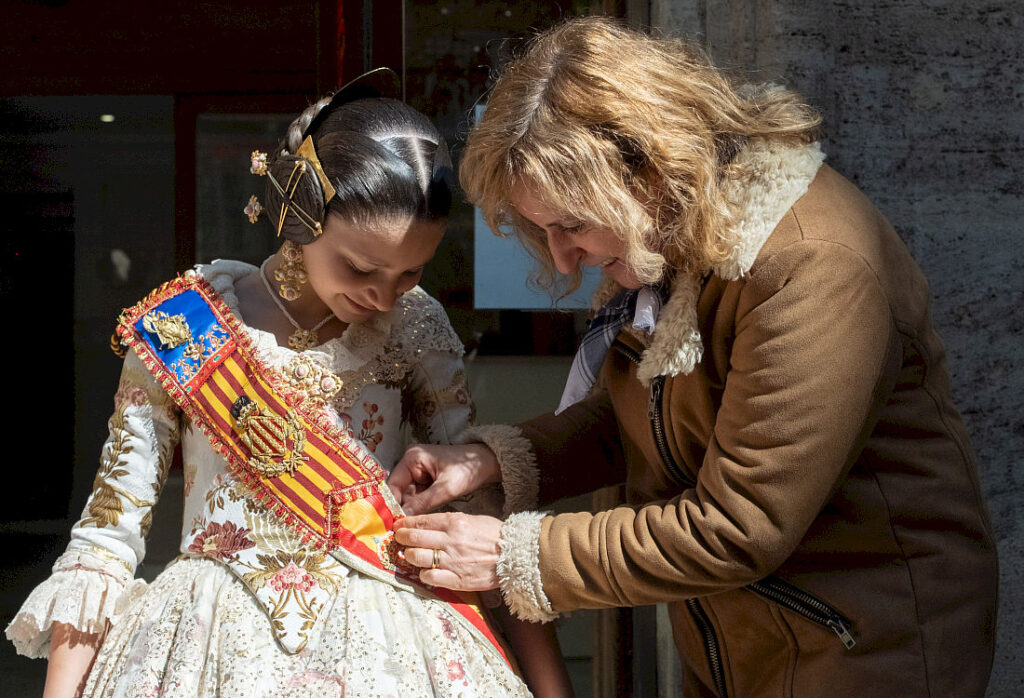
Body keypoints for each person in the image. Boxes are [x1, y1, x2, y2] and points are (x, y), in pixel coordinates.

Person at [388, 17, 999, 697]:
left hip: (862, 656)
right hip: (752, 647)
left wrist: (511, 557)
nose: (563, 258)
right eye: (541, 231)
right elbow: (638, 425)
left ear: (647, 168)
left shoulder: (813, 263)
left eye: (570, 225)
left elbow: (741, 526)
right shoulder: (676, 237)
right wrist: (495, 460)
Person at [5, 69, 564, 698]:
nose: (383, 296)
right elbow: (109, 532)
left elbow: (469, 510)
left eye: (410, 274)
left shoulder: (417, 323)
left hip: (389, 638)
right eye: (360, 267)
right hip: (205, 641)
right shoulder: (185, 323)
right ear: (298, 216)